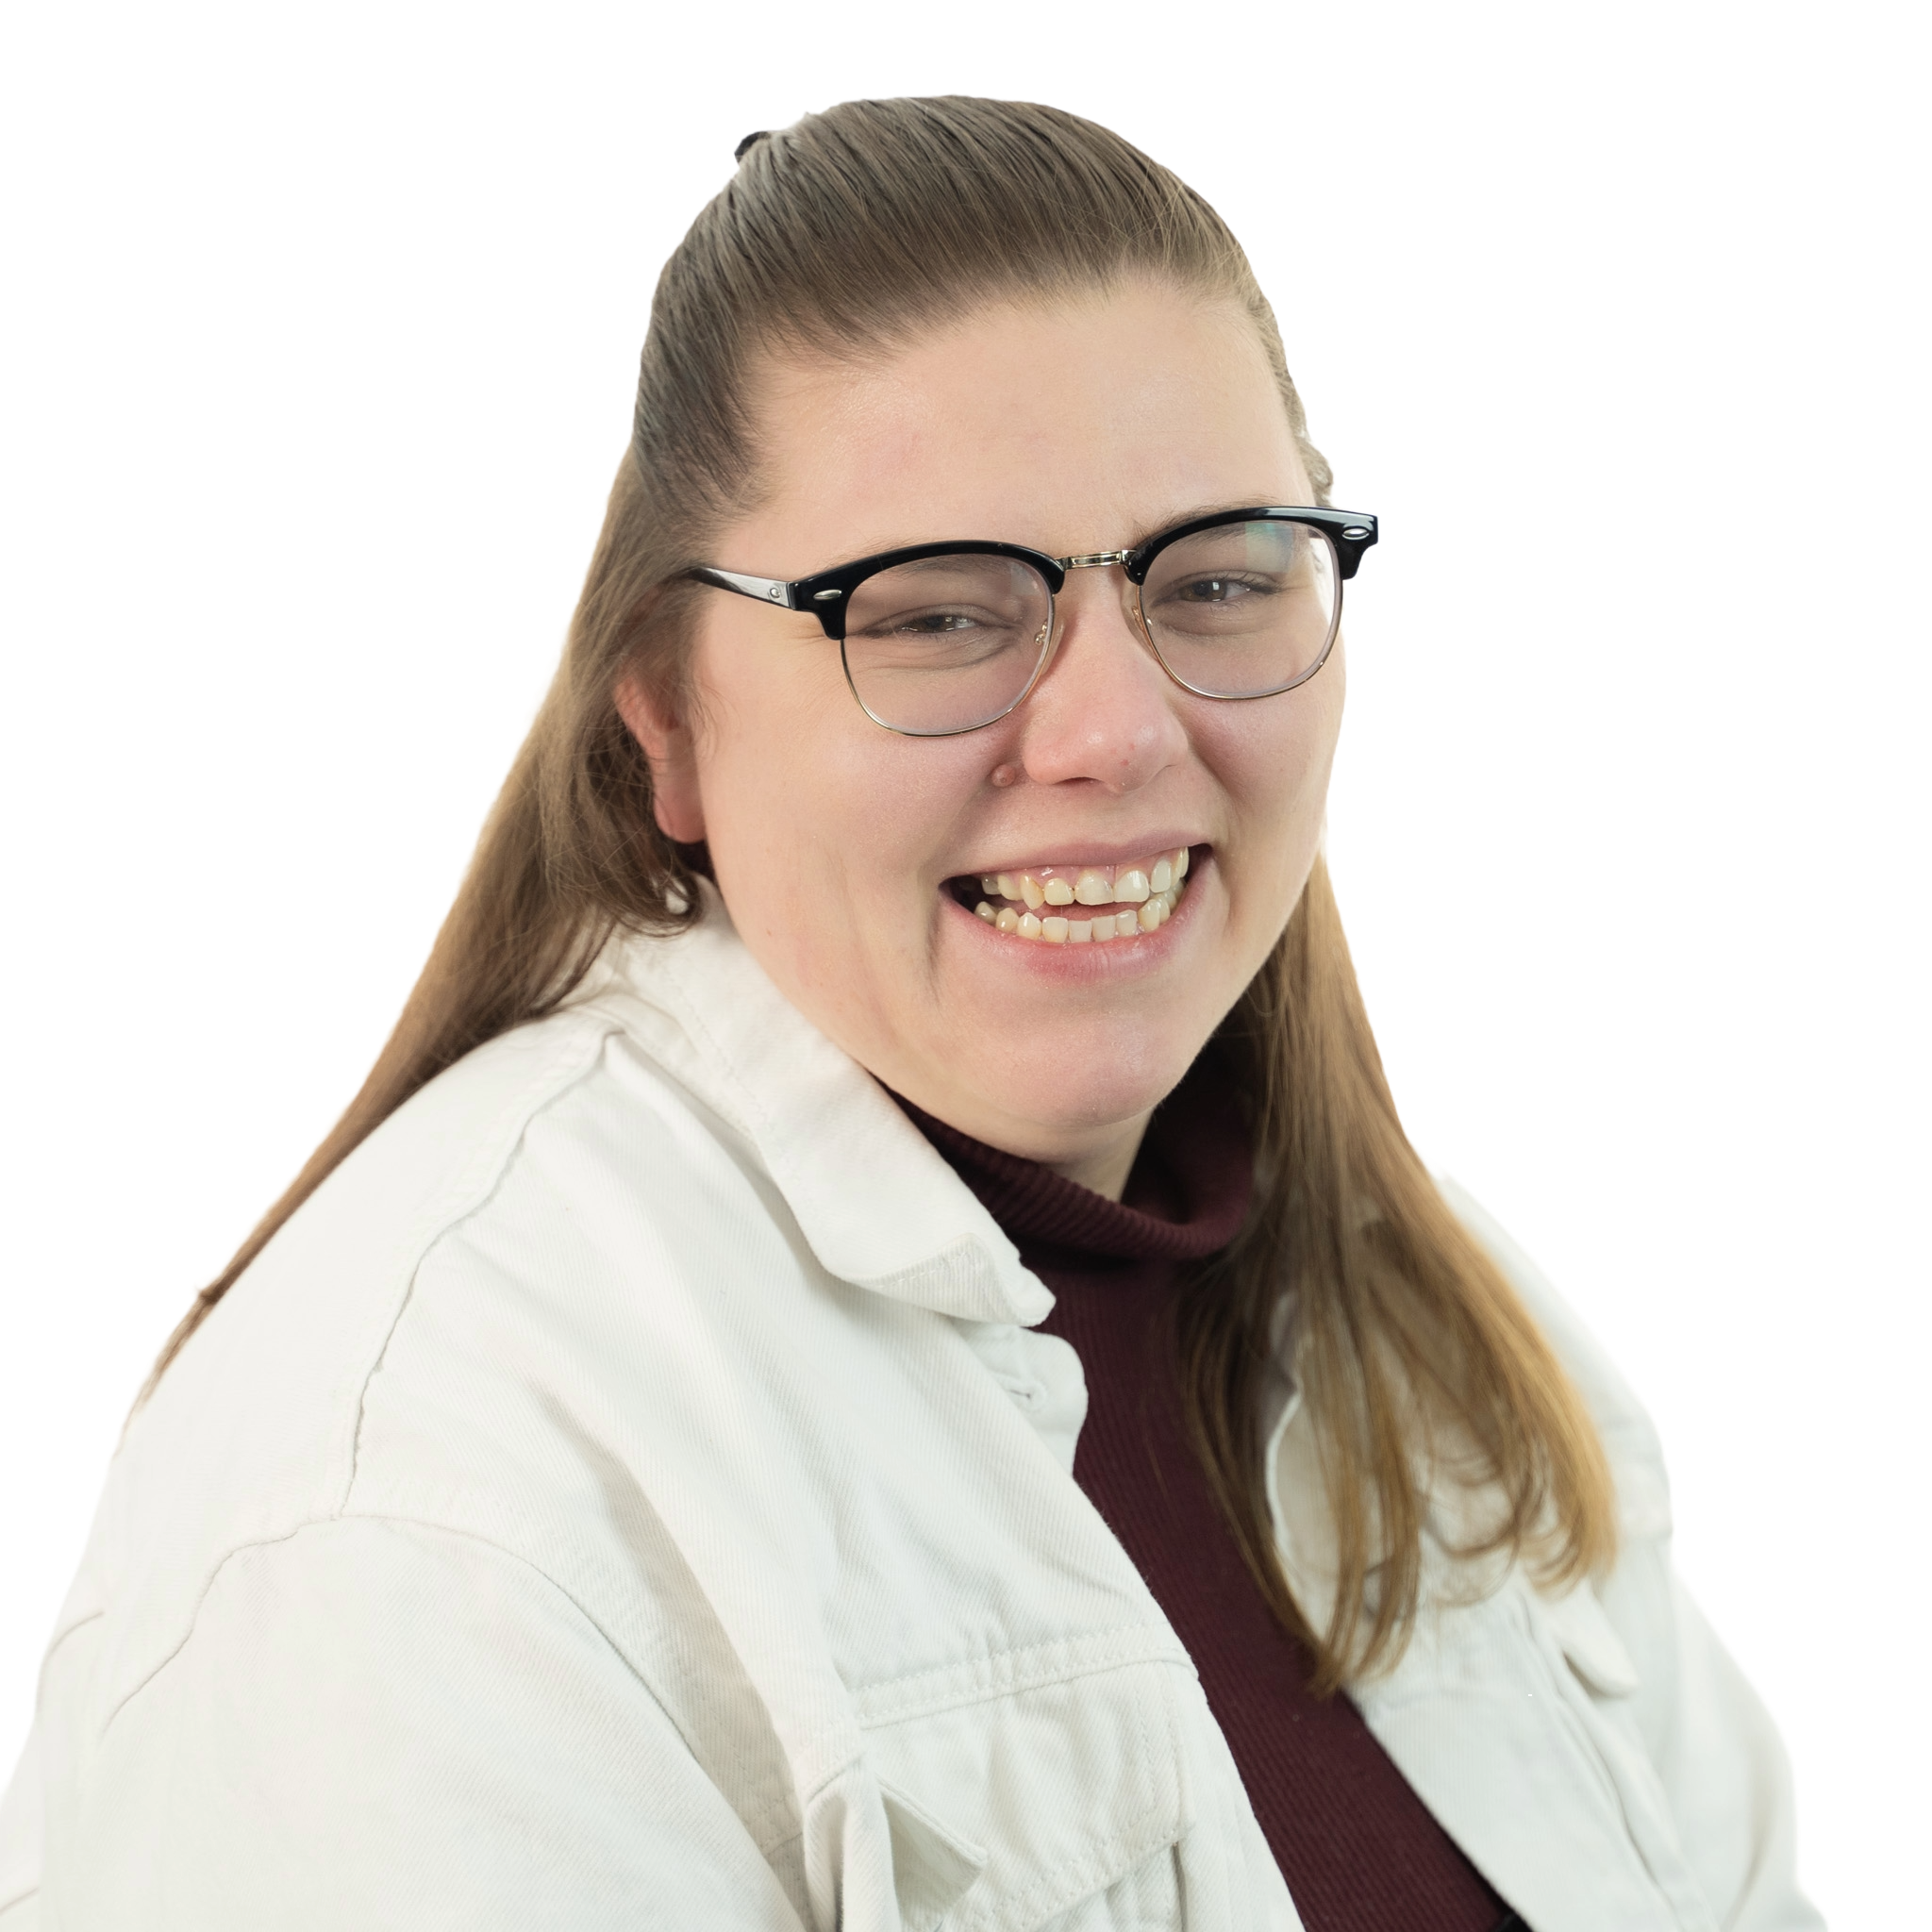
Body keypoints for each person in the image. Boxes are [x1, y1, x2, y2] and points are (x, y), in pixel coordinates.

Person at [0, 96, 1824, 1931]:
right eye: (939, 616)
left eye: (1213, 578)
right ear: (667, 723)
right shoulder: (422, 1497)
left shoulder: (1441, 1340)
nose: (1114, 732)